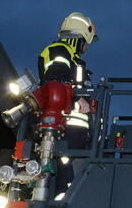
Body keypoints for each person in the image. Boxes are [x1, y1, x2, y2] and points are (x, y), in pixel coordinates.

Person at [38, 12, 98, 148]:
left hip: (77, 133)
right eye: (86, 43)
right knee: (64, 168)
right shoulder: (59, 50)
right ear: (80, 38)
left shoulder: (75, 62)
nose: (86, 48)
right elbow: (56, 77)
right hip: (63, 127)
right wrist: (77, 97)